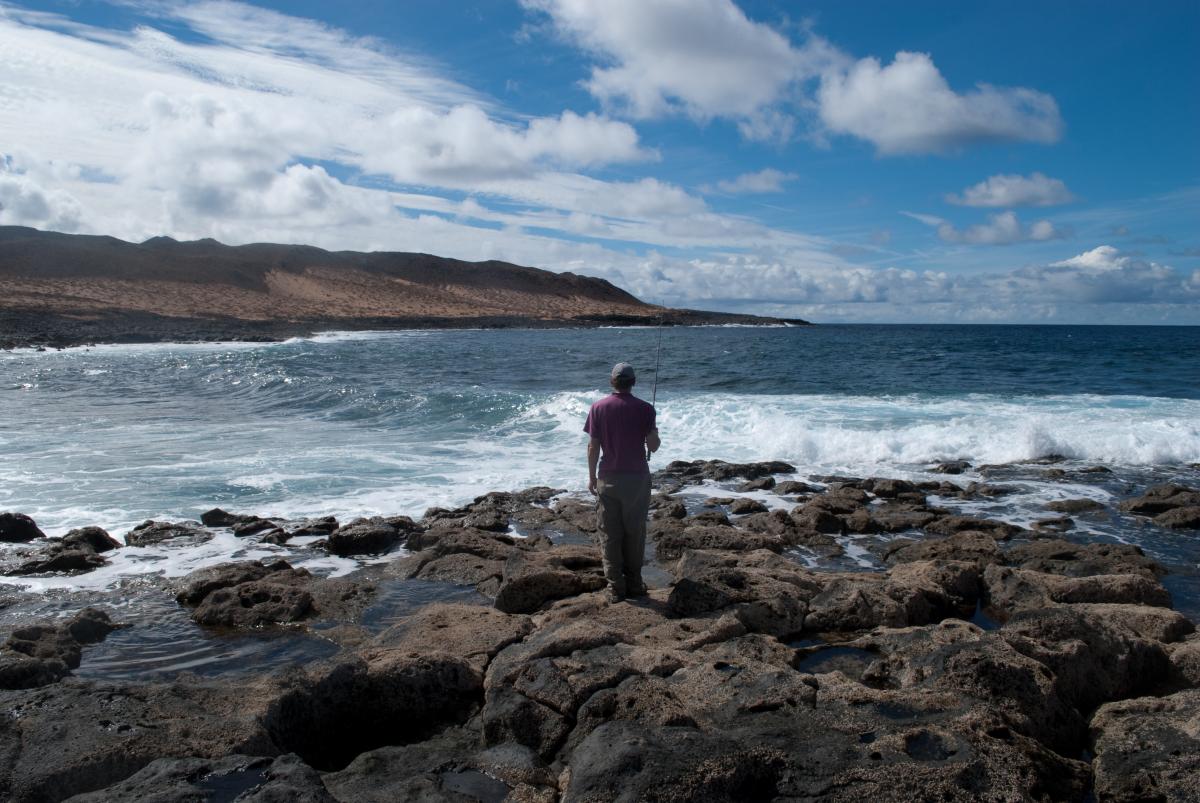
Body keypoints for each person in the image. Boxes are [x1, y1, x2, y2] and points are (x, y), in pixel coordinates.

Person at [584, 362, 661, 602]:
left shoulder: (598, 408)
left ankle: (615, 587)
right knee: (635, 533)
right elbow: (654, 446)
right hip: (637, 479)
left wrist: (591, 477)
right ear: (633, 383)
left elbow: (593, 447)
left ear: (612, 382)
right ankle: (635, 584)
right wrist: (652, 433)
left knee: (609, 533)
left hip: (608, 478)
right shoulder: (646, 409)